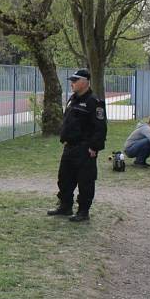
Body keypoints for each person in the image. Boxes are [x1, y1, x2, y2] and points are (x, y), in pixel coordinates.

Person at [48, 69, 107, 222]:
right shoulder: (72, 99)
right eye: (72, 80)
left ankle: (83, 211)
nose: (72, 83)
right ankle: (65, 206)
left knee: (85, 181)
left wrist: (94, 147)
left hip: (84, 148)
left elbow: (100, 128)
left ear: (85, 82)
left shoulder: (94, 101)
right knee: (64, 179)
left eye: (75, 80)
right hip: (69, 147)